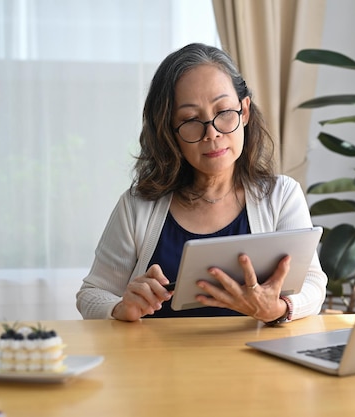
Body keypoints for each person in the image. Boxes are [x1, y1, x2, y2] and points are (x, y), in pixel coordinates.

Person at [76, 43, 327, 323]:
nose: (212, 133)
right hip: (158, 364)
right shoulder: (137, 205)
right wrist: (122, 307)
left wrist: (278, 309)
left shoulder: (281, 196)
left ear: (244, 111)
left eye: (224, 111)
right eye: (191, 119)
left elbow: (314, 285)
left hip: (255, 363)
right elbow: (92, 294)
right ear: (169, 131)